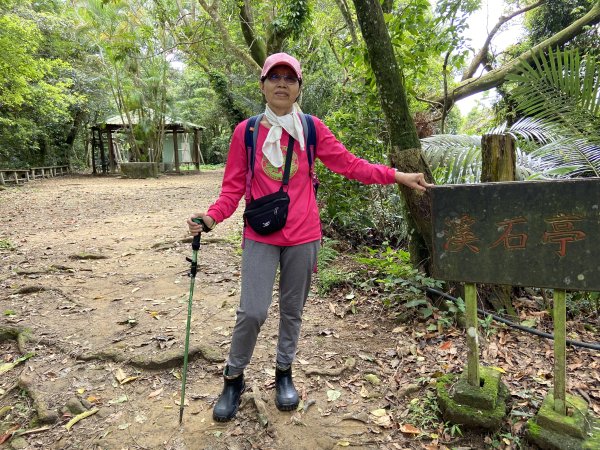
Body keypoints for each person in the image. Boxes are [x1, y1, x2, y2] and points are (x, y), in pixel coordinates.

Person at [187, 52, 433, 422]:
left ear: (299, 87)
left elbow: (350, 164)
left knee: (292, 311)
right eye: (275, 76)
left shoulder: (313, 130)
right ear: (263, 85)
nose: (282, 83)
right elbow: (232, 188)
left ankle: (283, 373)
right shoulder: (248, 132)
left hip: (304, 235)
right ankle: (233, 378)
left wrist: (397, 175)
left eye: (290, 77)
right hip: (260, 235)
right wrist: (211, 218)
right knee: (252, 311)